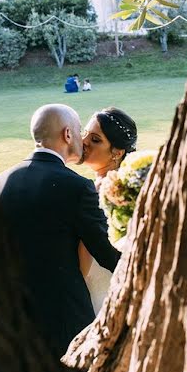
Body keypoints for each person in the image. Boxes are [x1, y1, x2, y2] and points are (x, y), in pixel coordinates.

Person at [0, 104, 120, 358]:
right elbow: (105, 252)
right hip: (64, 317)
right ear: (67, 134)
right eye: (77, 130)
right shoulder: (77, 187)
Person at [79, 107, 137, 313]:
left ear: (117, 152)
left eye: (95, 140)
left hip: (99, 279)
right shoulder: (125, 186)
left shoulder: (100, 192)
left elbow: (85, 249)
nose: (84, 142)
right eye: (84, 133)